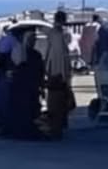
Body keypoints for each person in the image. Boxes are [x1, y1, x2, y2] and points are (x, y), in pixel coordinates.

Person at [7, 30, 45, 139]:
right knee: (28, 109)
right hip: (28, 86)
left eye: (34, 39)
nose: (33, 42)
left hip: (27, 85)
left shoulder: (26, 53)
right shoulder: (32, 54)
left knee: (28, 109)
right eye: (32, 40)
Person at [45, 10, 73, 140]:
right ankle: (61, 120)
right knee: (63, 92)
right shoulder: (61, 33)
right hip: (60, 64)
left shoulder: (52, 32)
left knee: (57, 93)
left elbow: (48, 49)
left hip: (54, 64)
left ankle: (58, 120)